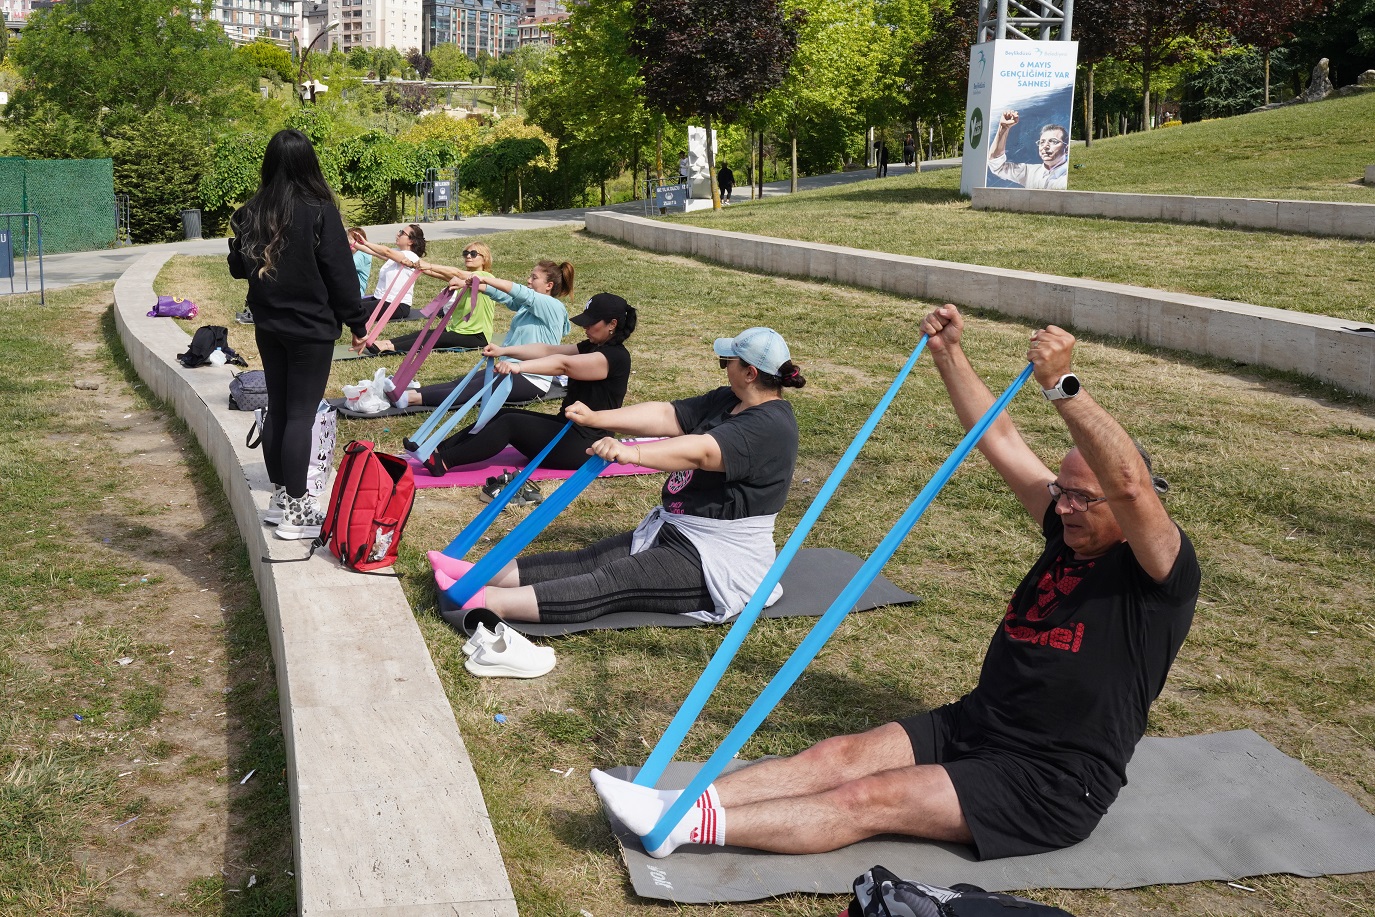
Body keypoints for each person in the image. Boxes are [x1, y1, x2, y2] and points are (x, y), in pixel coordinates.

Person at [591, 303, 1200, 861]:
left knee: (871, 799)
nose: (1062, 507)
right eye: (1061, 491)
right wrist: (949, 355)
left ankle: (680, 828)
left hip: (1049, 776)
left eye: (1080, 499)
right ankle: (675, 803)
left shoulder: (1159, 572)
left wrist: (1062, 388)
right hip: (980, 723)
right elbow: (1000, 437)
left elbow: (1128, 484)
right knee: (837, 757)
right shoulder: (1067, 525)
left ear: (1126, 513)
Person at [431, 328, 807, 627]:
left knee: (611, 582)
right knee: (585, 559)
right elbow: (667, 415)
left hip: (720, 559)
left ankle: (484, 602)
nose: (723, 366)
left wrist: (633, 453)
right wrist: (598, 419)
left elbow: (704, 450)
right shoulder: (730, 399)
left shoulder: (770, 426)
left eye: (728, 361)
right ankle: (476, 574)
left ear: (750, 372)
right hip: (680, 529)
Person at [227, 129, 368, 539]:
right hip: (311, 329)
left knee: (281, 409)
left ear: (270, 162)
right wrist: (358, 324)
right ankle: (298, 510)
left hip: (269, 327)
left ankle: (281, 499)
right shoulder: (320, 208)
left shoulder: (250, 211)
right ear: (308, 162)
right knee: (300, 416)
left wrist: (237, 247)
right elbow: (340, 274)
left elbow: (238, 269)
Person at [421, 292, 637, 478]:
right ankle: (438, 450)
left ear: (613, 324)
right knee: (502, 413)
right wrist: (504, 351)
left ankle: (444, 462)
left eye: (592, 322)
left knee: (511, 423)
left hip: (587, 445)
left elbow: (564, 366)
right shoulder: (591, 346)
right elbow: (548, 351)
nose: (586, 327)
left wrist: (520, 368)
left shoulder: (615, 357)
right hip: (568, 429)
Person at [394, 259, 574, 412]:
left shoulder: (553, 306)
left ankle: (410, 399)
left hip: (532, 378)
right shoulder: (529, 306)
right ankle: (409, 393)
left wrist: (482, 278)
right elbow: (505, 297)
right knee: (463, 382)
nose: (528, 280)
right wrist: (471, 284)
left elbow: (518, 291)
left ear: (549, 285)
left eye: (534, 278)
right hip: (511, 368)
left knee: (474, 388)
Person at [361, 241, 498, 356]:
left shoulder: (486, 278)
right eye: (465, 253)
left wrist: (429, 265)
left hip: (477, 336)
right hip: (458, 329)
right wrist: (415, 265)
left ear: (484, 258)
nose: (468, 256)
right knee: (424, 333)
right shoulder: (466, 278)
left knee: (434, 338)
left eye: (473, 254)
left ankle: (390, 348)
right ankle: (386, 342)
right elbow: (436, 274)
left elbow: (456, 272)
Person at [987, 111, 1069, 190]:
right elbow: (997, 166)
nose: (1045, 146)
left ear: (1067, 149)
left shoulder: (1070, 178)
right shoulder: (1029, 172)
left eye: (1053, 141)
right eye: (1042, 142)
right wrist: (1003, 128)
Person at [362, 224, 427, 320]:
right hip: (381, 300)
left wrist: (365, 243)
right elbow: (372, 251)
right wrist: (354, 243)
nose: (398, 234)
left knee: (353, 309)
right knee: (350, 304)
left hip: (397, 305)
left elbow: (386, 252)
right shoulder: (396, 252)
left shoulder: (411, 256)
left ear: (411, 241)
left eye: (402, 233)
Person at [348, 227, 372, 298]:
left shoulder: (362, 254)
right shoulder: (353, 253)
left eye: (351, 240)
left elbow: (346, 266)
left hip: (356, 294)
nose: (349, 243)